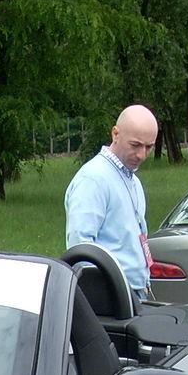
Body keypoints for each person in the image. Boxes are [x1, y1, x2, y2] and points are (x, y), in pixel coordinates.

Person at [64, 104, 161, 303]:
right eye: (135, 145)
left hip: (135, 291)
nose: (142, 155)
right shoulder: (93, 179)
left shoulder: (132, 180)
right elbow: (80, 248)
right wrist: (101, 297)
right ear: (115, 134)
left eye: (148, 147)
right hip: (110, 297)